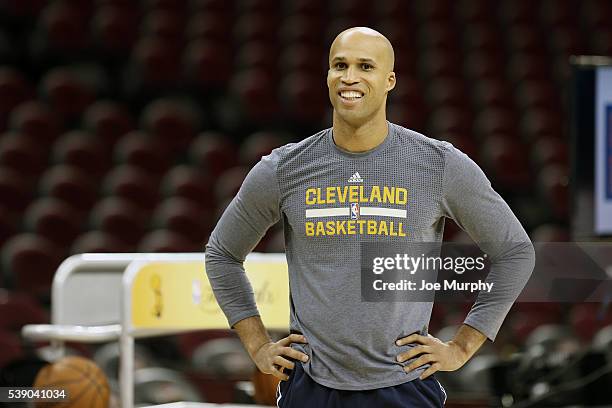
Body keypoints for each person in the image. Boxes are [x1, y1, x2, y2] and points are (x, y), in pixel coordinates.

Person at [205, 27, 535, 407]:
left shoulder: (438, 164)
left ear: (389, 80)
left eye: (365, 66)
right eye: (339, 65)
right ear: (327, 76)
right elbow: (222, 254)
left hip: (405, 387)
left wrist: (462, 346)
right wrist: (258, 345)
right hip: (310, 387)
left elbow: (515, 253)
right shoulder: (284, 168)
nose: (349, 77)